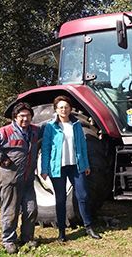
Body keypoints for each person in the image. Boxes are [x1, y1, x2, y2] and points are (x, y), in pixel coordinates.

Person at [0, 102, 40, 254]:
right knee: (11, 211)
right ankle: (9, 240)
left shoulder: (34, 131)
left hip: (27, 180)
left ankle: (27, 238)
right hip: (10, 179)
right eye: (21, 116)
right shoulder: (6, 131)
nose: (25, 119)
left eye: (28, 116)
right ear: (15, 117)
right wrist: (1, 157)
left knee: (31, 210)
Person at [40, 95, 101, 242]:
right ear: (56, 109)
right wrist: (44, 168)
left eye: (66, 107)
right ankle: (62, 232)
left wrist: (85, 164)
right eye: (61, 107)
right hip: (58, 168)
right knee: (60, 199)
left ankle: (89, 227)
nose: (64, 109)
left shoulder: (77, 125)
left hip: (76, 166)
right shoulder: (50, 127)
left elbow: (82, 147)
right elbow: (46, 148)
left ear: (70, 109)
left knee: (83, 195)